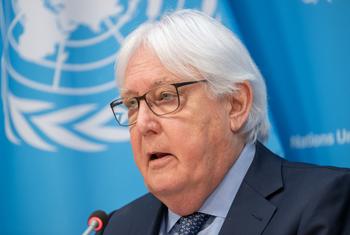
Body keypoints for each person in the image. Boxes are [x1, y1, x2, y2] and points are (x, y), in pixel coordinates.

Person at [102, 9, 350, 235]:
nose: (144, 124)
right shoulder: (118, 227)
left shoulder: (325, 204)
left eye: (166, 96)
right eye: (132, 104)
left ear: (235, 104)